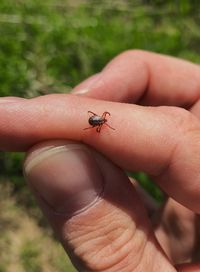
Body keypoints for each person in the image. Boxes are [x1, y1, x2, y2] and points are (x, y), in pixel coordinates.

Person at [1, 50, 200, 271]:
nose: (103, 123)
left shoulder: (98, 122)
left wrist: (99, 121)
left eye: (102, 122)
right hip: (92, 118)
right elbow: (95, 119)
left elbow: (95, 120)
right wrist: (99, 121)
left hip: (92, 118)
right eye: (102, 122)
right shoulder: (99, 122)